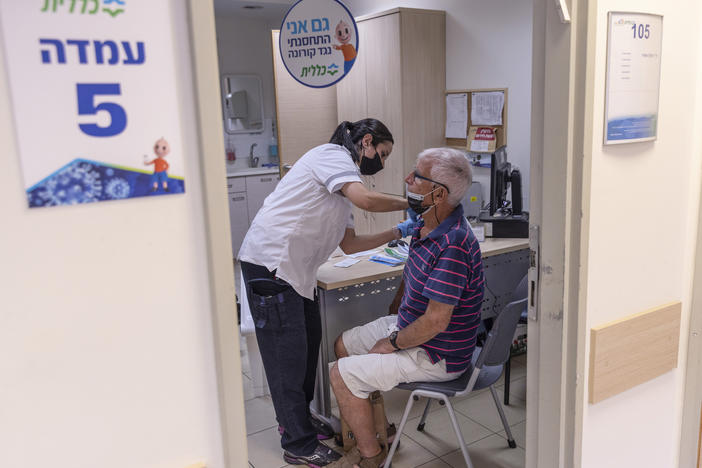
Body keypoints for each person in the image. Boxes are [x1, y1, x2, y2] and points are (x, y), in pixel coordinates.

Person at [238, 118, 416, 467]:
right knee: (286, 360)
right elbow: (365, 199)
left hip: (295, 274)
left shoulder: (345, 181)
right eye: (382, 153)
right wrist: (411, 203)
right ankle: (297, 443)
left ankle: (298, 421)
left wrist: (398, 231)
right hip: (272, 264)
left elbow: (349, 245)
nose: (381, 162)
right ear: (366, 142)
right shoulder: (332, 156)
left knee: (305, 354)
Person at [327, 147, 484, 468]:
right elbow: (412, 274)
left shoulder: (452, 243)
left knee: (339, 373)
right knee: (342, 345)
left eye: (416, 177)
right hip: (411, 327)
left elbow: (437, 321)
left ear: (438, 194)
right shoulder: (426, 224)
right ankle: (378, 429)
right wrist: (396, 310)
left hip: (438, 354)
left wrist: (392, 342)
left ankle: (371, 457)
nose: (406, 179)